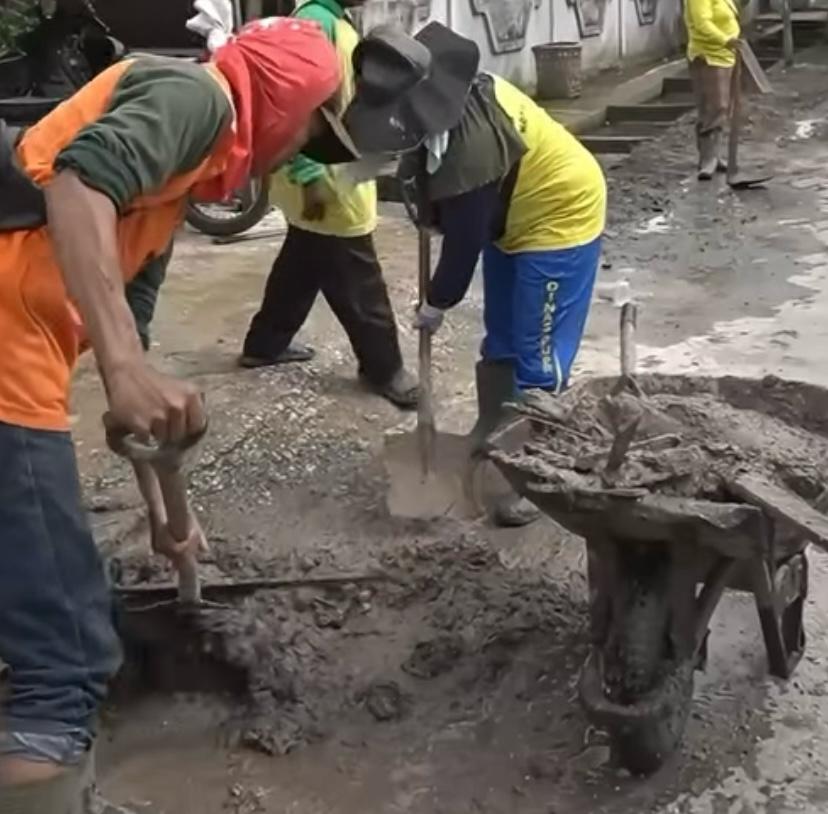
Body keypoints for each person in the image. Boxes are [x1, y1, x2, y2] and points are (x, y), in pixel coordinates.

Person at [0, 10, 358, 811]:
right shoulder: (201, 100)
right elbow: (76, 181)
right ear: (280, 98)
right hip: (5, 354)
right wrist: (123, 363)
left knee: (38, 592)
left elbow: (137, 410)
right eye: (308, 127)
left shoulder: (163, 207)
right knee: (64, 649)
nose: (302, 148)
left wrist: (168, 516)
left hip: (19, 356)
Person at [326, 22, 606, 526]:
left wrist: (435, 302)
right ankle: (494, 430)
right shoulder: (434, 104)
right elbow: (428, 177)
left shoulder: (468, 146)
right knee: (500, 336)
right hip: (512, 216)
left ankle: (541, 474)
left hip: (561, 215)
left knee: (537, 354)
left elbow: (463, 244)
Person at [240, 0, 418, 409]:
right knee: (358, 276)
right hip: (323, 174)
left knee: (303, 260)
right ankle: (384, 368)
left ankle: (264, 345)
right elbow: (296, 105)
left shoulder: (329, 17)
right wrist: (310, 178)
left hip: (328, 167)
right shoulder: (316, 22)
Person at [684, 0, 740, 179]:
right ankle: (707, 159)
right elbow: (702, 24)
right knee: (713, 107)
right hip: (708, 56)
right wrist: (725, 39)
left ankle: (715, 156)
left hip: (726, 56)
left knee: (724, 108)